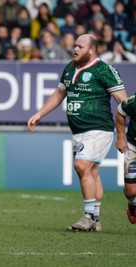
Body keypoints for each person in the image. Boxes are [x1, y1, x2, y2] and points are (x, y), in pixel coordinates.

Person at [27, 34, 127, 232]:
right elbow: (58, 94)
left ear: (92, 50)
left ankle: (88, 216)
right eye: (74, 46)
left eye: (80, 47)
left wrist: (123, 134)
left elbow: (123, 102)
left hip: (99, 128)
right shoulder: (70, 68)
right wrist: (39, 114)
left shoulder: (104, 70)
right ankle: (96, 220)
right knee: (91, 173)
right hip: (79, 131)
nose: (75, 49)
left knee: (81, 165)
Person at [115, 95, 136, 224]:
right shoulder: (133, 102)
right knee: (130, 191)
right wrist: (121, 137)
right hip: (133, 148)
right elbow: (120, 112)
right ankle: (132, 204)